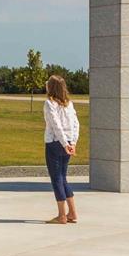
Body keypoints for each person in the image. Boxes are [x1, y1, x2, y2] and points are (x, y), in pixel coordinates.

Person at [43, 74, 80, 224]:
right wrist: (72, 142)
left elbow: (56, 125)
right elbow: (76, 124)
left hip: (55, 143)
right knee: (63, 177)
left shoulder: (50, 103)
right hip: (68, 143)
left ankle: (62, 215)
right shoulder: (68, 104)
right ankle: (72, 212)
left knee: (56, 178)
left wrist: (66, 144)